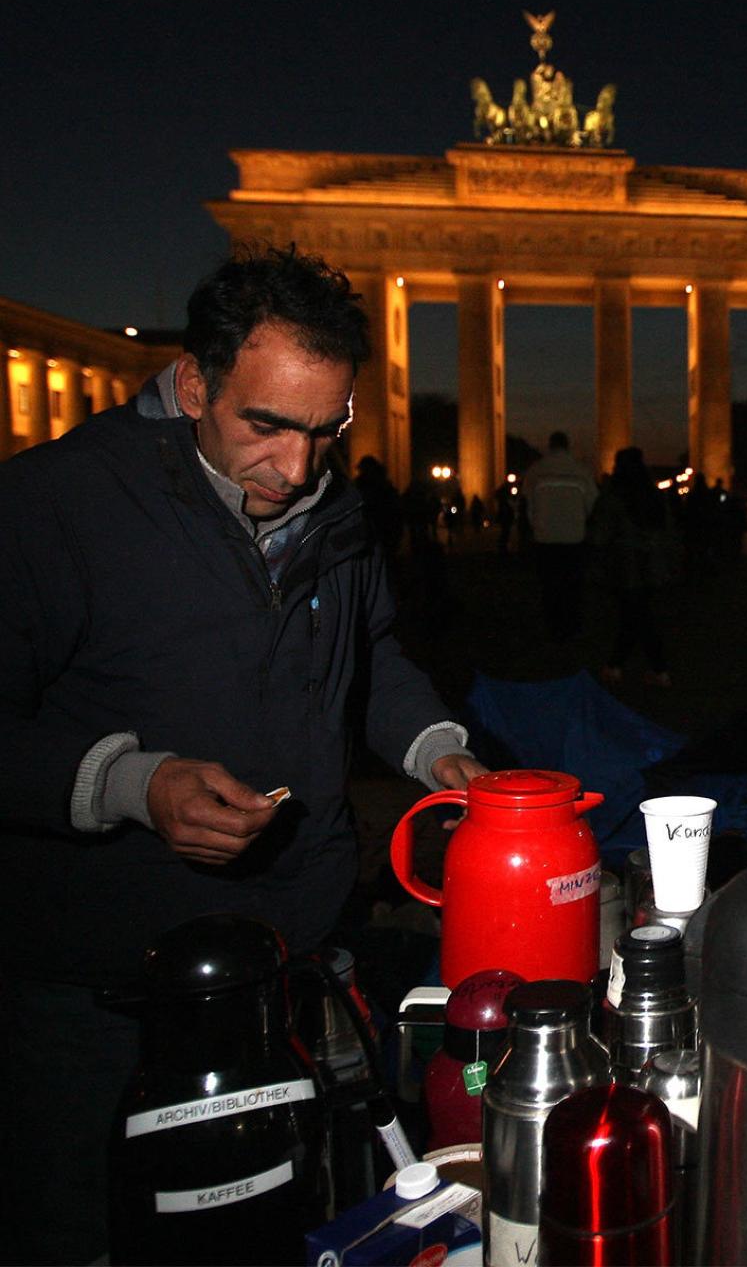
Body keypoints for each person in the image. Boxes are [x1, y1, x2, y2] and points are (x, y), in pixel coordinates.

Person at [0, 246, 486, 1264]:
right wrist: (131, 782)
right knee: (97, 1237)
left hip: (287, 965)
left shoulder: (335, 512)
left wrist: (437, 748)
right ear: (191, 385)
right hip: (103, 997)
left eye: (324, 429)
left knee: (280, 1228)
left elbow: (373, 656)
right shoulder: (49, 508)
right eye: (264, 424)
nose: (296, 467)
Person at [592, 446, 678, 687]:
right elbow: (668, 531)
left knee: (636, 618)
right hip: (652, 565)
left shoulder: (613, 495)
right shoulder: (654, 495)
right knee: (637, 616)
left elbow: (601, 534)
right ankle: (626, 667)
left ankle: (648, 668)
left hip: (624, 565)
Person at [522, 429, 598, 640]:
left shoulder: (535, 471)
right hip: (574, 539)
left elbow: (529, 505)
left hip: (545, 539)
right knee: (572, 585)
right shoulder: (581, 471)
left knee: (549, 585)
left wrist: (537, 526)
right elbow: (593, 505)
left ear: (550, 446)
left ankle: (553, 626)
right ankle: (571, 626)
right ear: (567, 446)